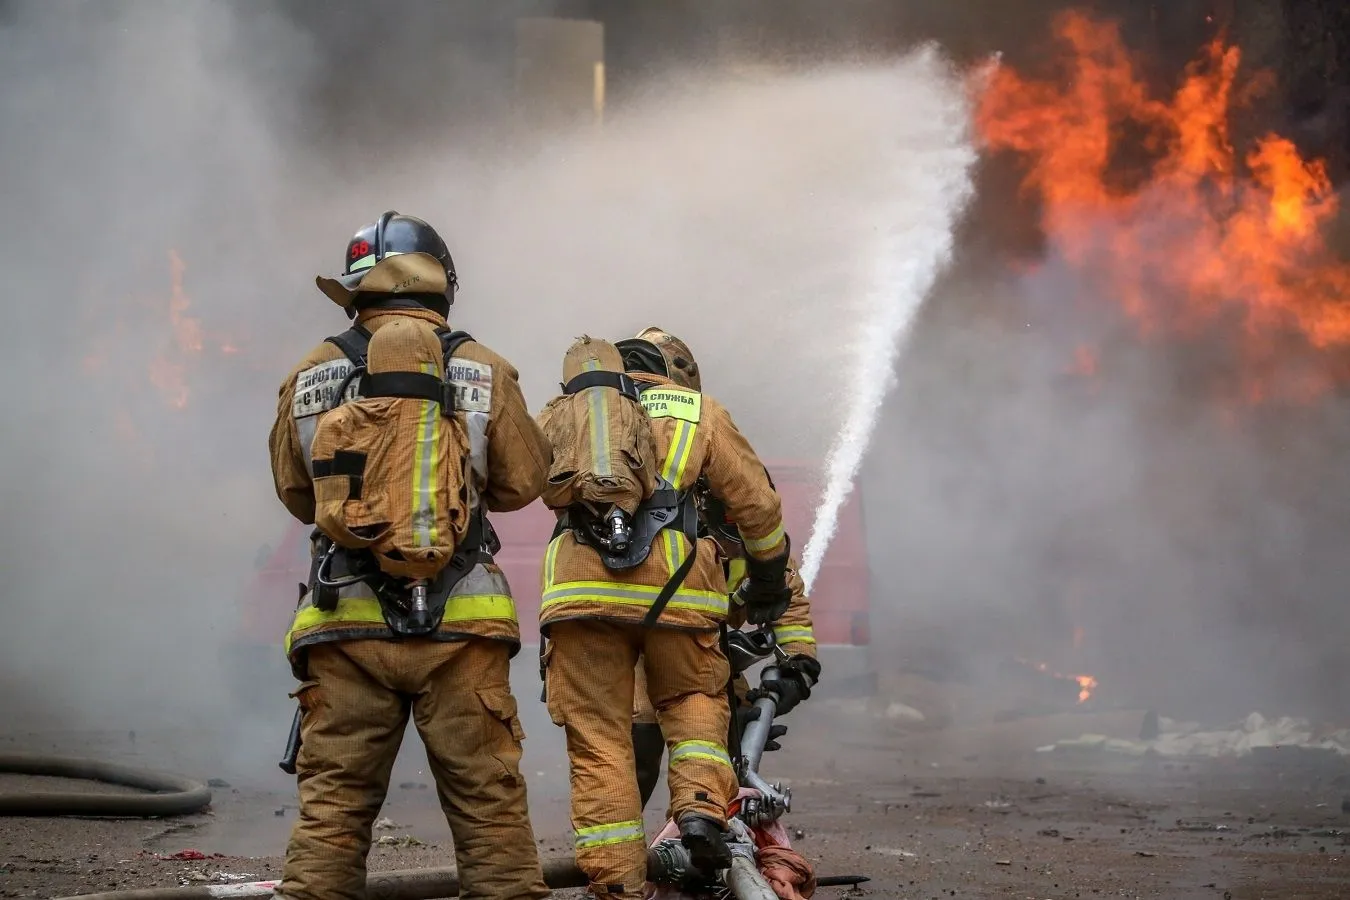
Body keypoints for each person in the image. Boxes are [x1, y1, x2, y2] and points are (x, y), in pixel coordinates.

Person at [267, 211, 552, 900]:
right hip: (462, 625)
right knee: (488, 811)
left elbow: (297, 494)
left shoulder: (313, 371)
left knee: (332, 813)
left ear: (357, 289)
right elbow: (522, 484)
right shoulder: (481, 366)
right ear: (440, 283)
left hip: (343, 622)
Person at [537, 326, 794, 899]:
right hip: (678, 594)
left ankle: (616, 885)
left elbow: (511, 481)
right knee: (695, 704)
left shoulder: (568, 410)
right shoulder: (699, 412)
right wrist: (770, 579)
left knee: (600, 739)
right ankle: (701, 809)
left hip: (578, 598)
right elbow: (757, 504)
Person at [632, 495, 821, 810]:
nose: (736, 551)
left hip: (707, 649)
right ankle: (615, 851)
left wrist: (798, 667)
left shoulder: (762, 543)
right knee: (640, 747)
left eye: (745, 543)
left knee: (728, 746)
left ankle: (711, 830)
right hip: (642, 646)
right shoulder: (668, 533)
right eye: (729, 539)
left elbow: (790, 604)